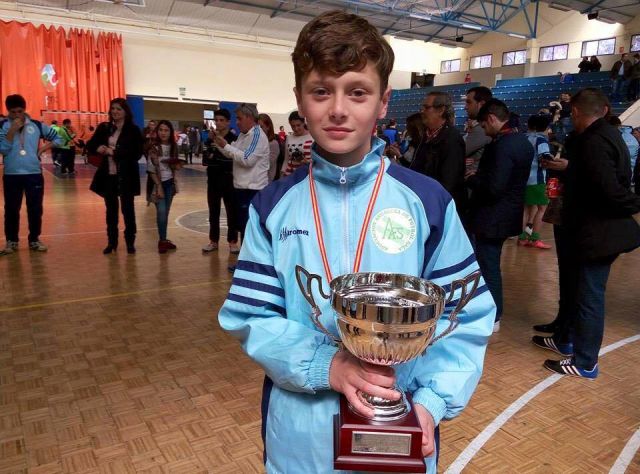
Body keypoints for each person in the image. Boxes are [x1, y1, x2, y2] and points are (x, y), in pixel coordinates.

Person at [218, 10, 495, 474]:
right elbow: (251, 318)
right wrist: (330, 366)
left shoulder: (425, 203)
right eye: (321, 91)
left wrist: (427, 403)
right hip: (300, 443)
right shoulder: (272, 207)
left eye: (358, 92)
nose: (339, 109)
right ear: (300, 101)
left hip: (399, 429)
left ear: (383, 102)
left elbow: (464, 316)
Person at [535, 88, 640, 379]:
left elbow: (609, 189)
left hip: (599, 232)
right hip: (592, 230)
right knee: (577, 288)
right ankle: (565, 338)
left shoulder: (594, 141)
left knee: (589, 296)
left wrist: (634, 204)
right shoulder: (608, 135)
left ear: (578, 113)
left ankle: (585, 361)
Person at [466, 99, 534, 332]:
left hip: (493, 216)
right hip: (508, 213)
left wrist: (472, 178)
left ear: (492, 119)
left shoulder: (503, 145)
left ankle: (493, 314)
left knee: (489, 266)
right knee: (490, 263)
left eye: (484, 126)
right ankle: (491, 310)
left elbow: (494, 186)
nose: (484, 131)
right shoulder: (521, 141)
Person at [0, 94, 62, 255]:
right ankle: (11, 241)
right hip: (11, 174)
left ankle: (34, 239)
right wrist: (12, 130)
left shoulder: (36, 125)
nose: (16, 115)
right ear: (8, 111)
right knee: (11, 209)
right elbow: (3, 149)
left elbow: (59, 138)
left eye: (19, 111)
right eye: (13, 112)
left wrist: (41, 150)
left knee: (35, 208)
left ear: (24, 109)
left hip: (33, 173)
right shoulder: (2, 126)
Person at [87, 98, 143, 254]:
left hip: (126, 176)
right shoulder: (104, 128)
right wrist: (98, 148)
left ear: (126, 111)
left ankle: (130, 242)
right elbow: (90, 145)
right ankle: (112, 242)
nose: (115, 111)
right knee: (111, 211)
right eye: (113, 108)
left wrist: (114, 152)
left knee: (128, 211)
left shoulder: (133, 130)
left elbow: (136, 153)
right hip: (108, 176)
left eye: (119, 109)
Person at [210, 103, 270, 249]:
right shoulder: (244, 135)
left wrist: (225, 145)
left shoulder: (257, 135)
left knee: (249, 230)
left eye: (239, 118)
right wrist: (219, 143)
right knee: (243, 228)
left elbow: (247, 160)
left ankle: (249, 265)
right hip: (242, 188)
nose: (237, 122)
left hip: (253, 190)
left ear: (250, 118)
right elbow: (232, 154)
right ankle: (244, 264)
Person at [410, 91, 467, 213]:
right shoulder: (426, 137)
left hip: (440, 207)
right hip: (425, 201)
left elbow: (449, 182)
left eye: (426, 107)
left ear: (441, 110)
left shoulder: (452, 139)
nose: (422, 111)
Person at [201, 109, 240, 254]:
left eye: (221, 120)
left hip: (229, 179)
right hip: (213, 179)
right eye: (216, 120)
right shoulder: (209, 138)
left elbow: (231, 158)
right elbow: (206, 160)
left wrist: (217, 157)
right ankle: (213, 241)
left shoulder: (233, 138)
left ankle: (232, 242)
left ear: (228, 122)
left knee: (232, 213)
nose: (218, 123)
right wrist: (216, 157)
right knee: (213, 212)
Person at [146, 120, 182, 253]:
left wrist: (177, 165)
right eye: (161, 130)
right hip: (158, 184)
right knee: (161, 212)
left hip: (170, 184)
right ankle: (161, 241)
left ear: (170, 132)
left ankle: (164, 239)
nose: (163, 132)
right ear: (157, 131)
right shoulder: (153, 147)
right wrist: (159, 186)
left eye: (166, 130)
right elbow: (151, 170)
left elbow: (175, 167)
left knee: (165, 213)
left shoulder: (173, 147)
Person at [519, 114, 553, 249]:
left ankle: (522, 237)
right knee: (542, 208)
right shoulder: (541, 140)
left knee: (526, 209)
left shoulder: (523, 138)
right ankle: (535, 238)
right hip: (537, 179)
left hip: (523, 179)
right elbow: (544, 157)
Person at [464, 86, 492, 179]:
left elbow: (454, 153)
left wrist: (458, 159)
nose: (465, 107)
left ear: (481, 104)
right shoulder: (476, 127)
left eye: (469, 102)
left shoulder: (480, 129)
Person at [281, 111, 313, 177]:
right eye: (293, 126)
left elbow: (319, 160)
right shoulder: (289, 138)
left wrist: (308, 162)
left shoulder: (313, 137)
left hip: (306, 175)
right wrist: (282, 173)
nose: (296, 128)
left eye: (298, 125)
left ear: (304, 123)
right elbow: (287, 159)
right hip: (290, 175)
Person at [258, 113, 280, 183]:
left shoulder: (273, 143)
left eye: (261, 127)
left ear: (268, 127)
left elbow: (266, 164)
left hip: (265, 182)